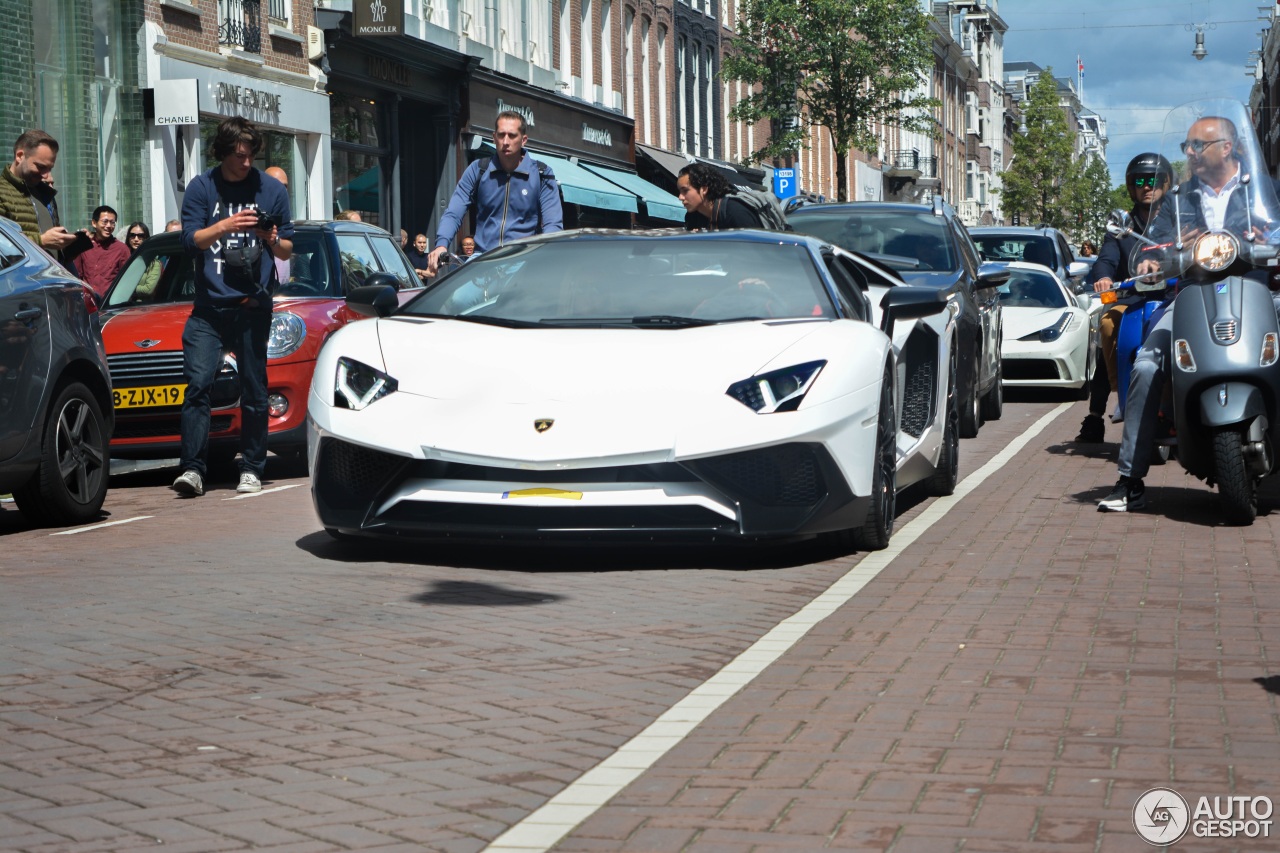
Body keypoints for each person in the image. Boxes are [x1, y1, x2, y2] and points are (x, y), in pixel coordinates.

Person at [1099, 116, 1279, 511]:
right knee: (1146, 364)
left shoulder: (1263, 190)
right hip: (1192, 296)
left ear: (1227, 148)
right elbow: (1148, 249)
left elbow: (1277, 226)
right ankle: (1130, 479)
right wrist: (1156, 257)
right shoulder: (1178, 200)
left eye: (1198, 145)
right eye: (1188, 146)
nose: (1190, 153)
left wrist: (1270, 239)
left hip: (1259, 292)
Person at [171, 116, 293, 499]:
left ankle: (253, 467)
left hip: (252, 305)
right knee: (198, 384)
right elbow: (190, 242)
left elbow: (288, 248)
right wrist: (227, 225)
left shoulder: (270, 189)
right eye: (238, 155)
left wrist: (271, 238)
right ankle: (192, 469)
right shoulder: (202, 188)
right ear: (222, 152)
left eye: (250, 155)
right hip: (209, 307)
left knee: (254, 389)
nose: (245, 163)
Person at [1076, 153, 1173, 443]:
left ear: (1166, 184)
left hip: (1170, 296)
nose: (1147, 186)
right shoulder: (1121, 224)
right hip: (1130, 298)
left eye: (1154, 180)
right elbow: (1106, 259)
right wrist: (1102, 276)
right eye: (1140, 181)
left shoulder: (1179, 221)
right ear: (1131, 187)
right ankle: (1121, 392)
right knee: (1107, 326)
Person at [428, 110, 563, 274]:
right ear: (494, 137)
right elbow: (454, 212)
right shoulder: (478, 170)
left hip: (524, 261)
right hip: (483, 257)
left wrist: (545, 254)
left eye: (512, 136)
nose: (505, 141)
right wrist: (441, 244)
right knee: (457, 299)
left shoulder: (542, 174)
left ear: (523, 140)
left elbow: (553, 223)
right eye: (501, 135)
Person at [0, 130, 78, 254]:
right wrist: (41, 241)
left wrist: (72, 244)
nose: (46, 175)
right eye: (41, 167)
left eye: (49, 168)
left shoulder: (45, 194)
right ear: (20, 156)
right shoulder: (2, 192)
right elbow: (2, 246)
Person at [677, 162, 766, 230]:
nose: (680, 197)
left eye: (685, 191)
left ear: (703, 189)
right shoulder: (693, 218)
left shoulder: (736, 213)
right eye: (680, 191)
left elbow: (754, 250)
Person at [73, 206, 132, 300]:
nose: (109, 226)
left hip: (110, 304)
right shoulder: (84, 245)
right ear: (94, 223)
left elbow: (127, 281)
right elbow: (76, 275)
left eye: (112, 223)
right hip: (87, 303)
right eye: (105, 221)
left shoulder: (121, 249)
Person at [134, 220, 181, 300]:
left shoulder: (192, 258)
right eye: (171, 235)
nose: (175, 238)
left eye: (179, 234)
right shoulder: (158, 255)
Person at [265, 166, 291, 286]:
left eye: (284, 187)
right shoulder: (251, 225)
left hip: (288, 296)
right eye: (277, 186)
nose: (281, 191)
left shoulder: (287, 229)